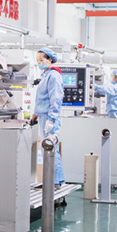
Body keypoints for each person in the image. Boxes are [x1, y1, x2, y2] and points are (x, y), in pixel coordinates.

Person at [32, 47, 65, 188]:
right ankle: (55, 180)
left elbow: (55, 99)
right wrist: (35, 113)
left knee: (50, 148)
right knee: (48, 148)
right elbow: (42, 98)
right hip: (43, 116)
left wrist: (51, 119)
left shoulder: (54, 76)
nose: (39, 62)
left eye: (41, 59)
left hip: (50, 117)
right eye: (37, 60)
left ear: (49, 59)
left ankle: (53, 182)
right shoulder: (45, 75)